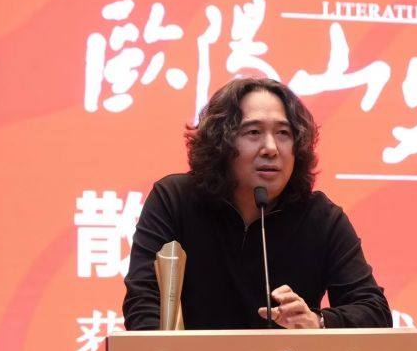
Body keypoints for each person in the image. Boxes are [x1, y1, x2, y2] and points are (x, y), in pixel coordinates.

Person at [123, 76, 391, 331]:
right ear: (221, 143)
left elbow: (375, 312)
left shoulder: (321, 217)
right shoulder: (175, 200)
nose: (271, 148)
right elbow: (143, 306)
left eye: (283, 133)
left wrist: (316, 322)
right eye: (253, 132)